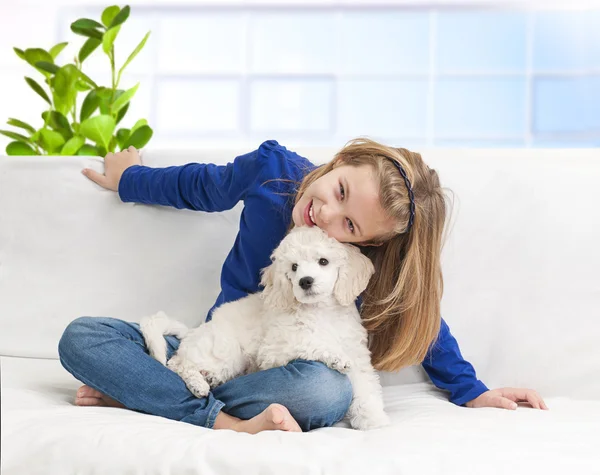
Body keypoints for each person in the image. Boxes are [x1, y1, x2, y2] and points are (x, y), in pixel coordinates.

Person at [58, 139, 548, 435]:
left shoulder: (355, 264)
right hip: (224, 348)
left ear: (365, 245)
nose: (326, 214)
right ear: (343, 160)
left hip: (282, 374)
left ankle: (151, 395)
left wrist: (471, 390)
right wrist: (130, 179)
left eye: (351, 226)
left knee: (324, 392)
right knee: (82, 336)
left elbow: (416, 309)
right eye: (339, 191)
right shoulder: (273, 171)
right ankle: (217, 418)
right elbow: (202, 186)